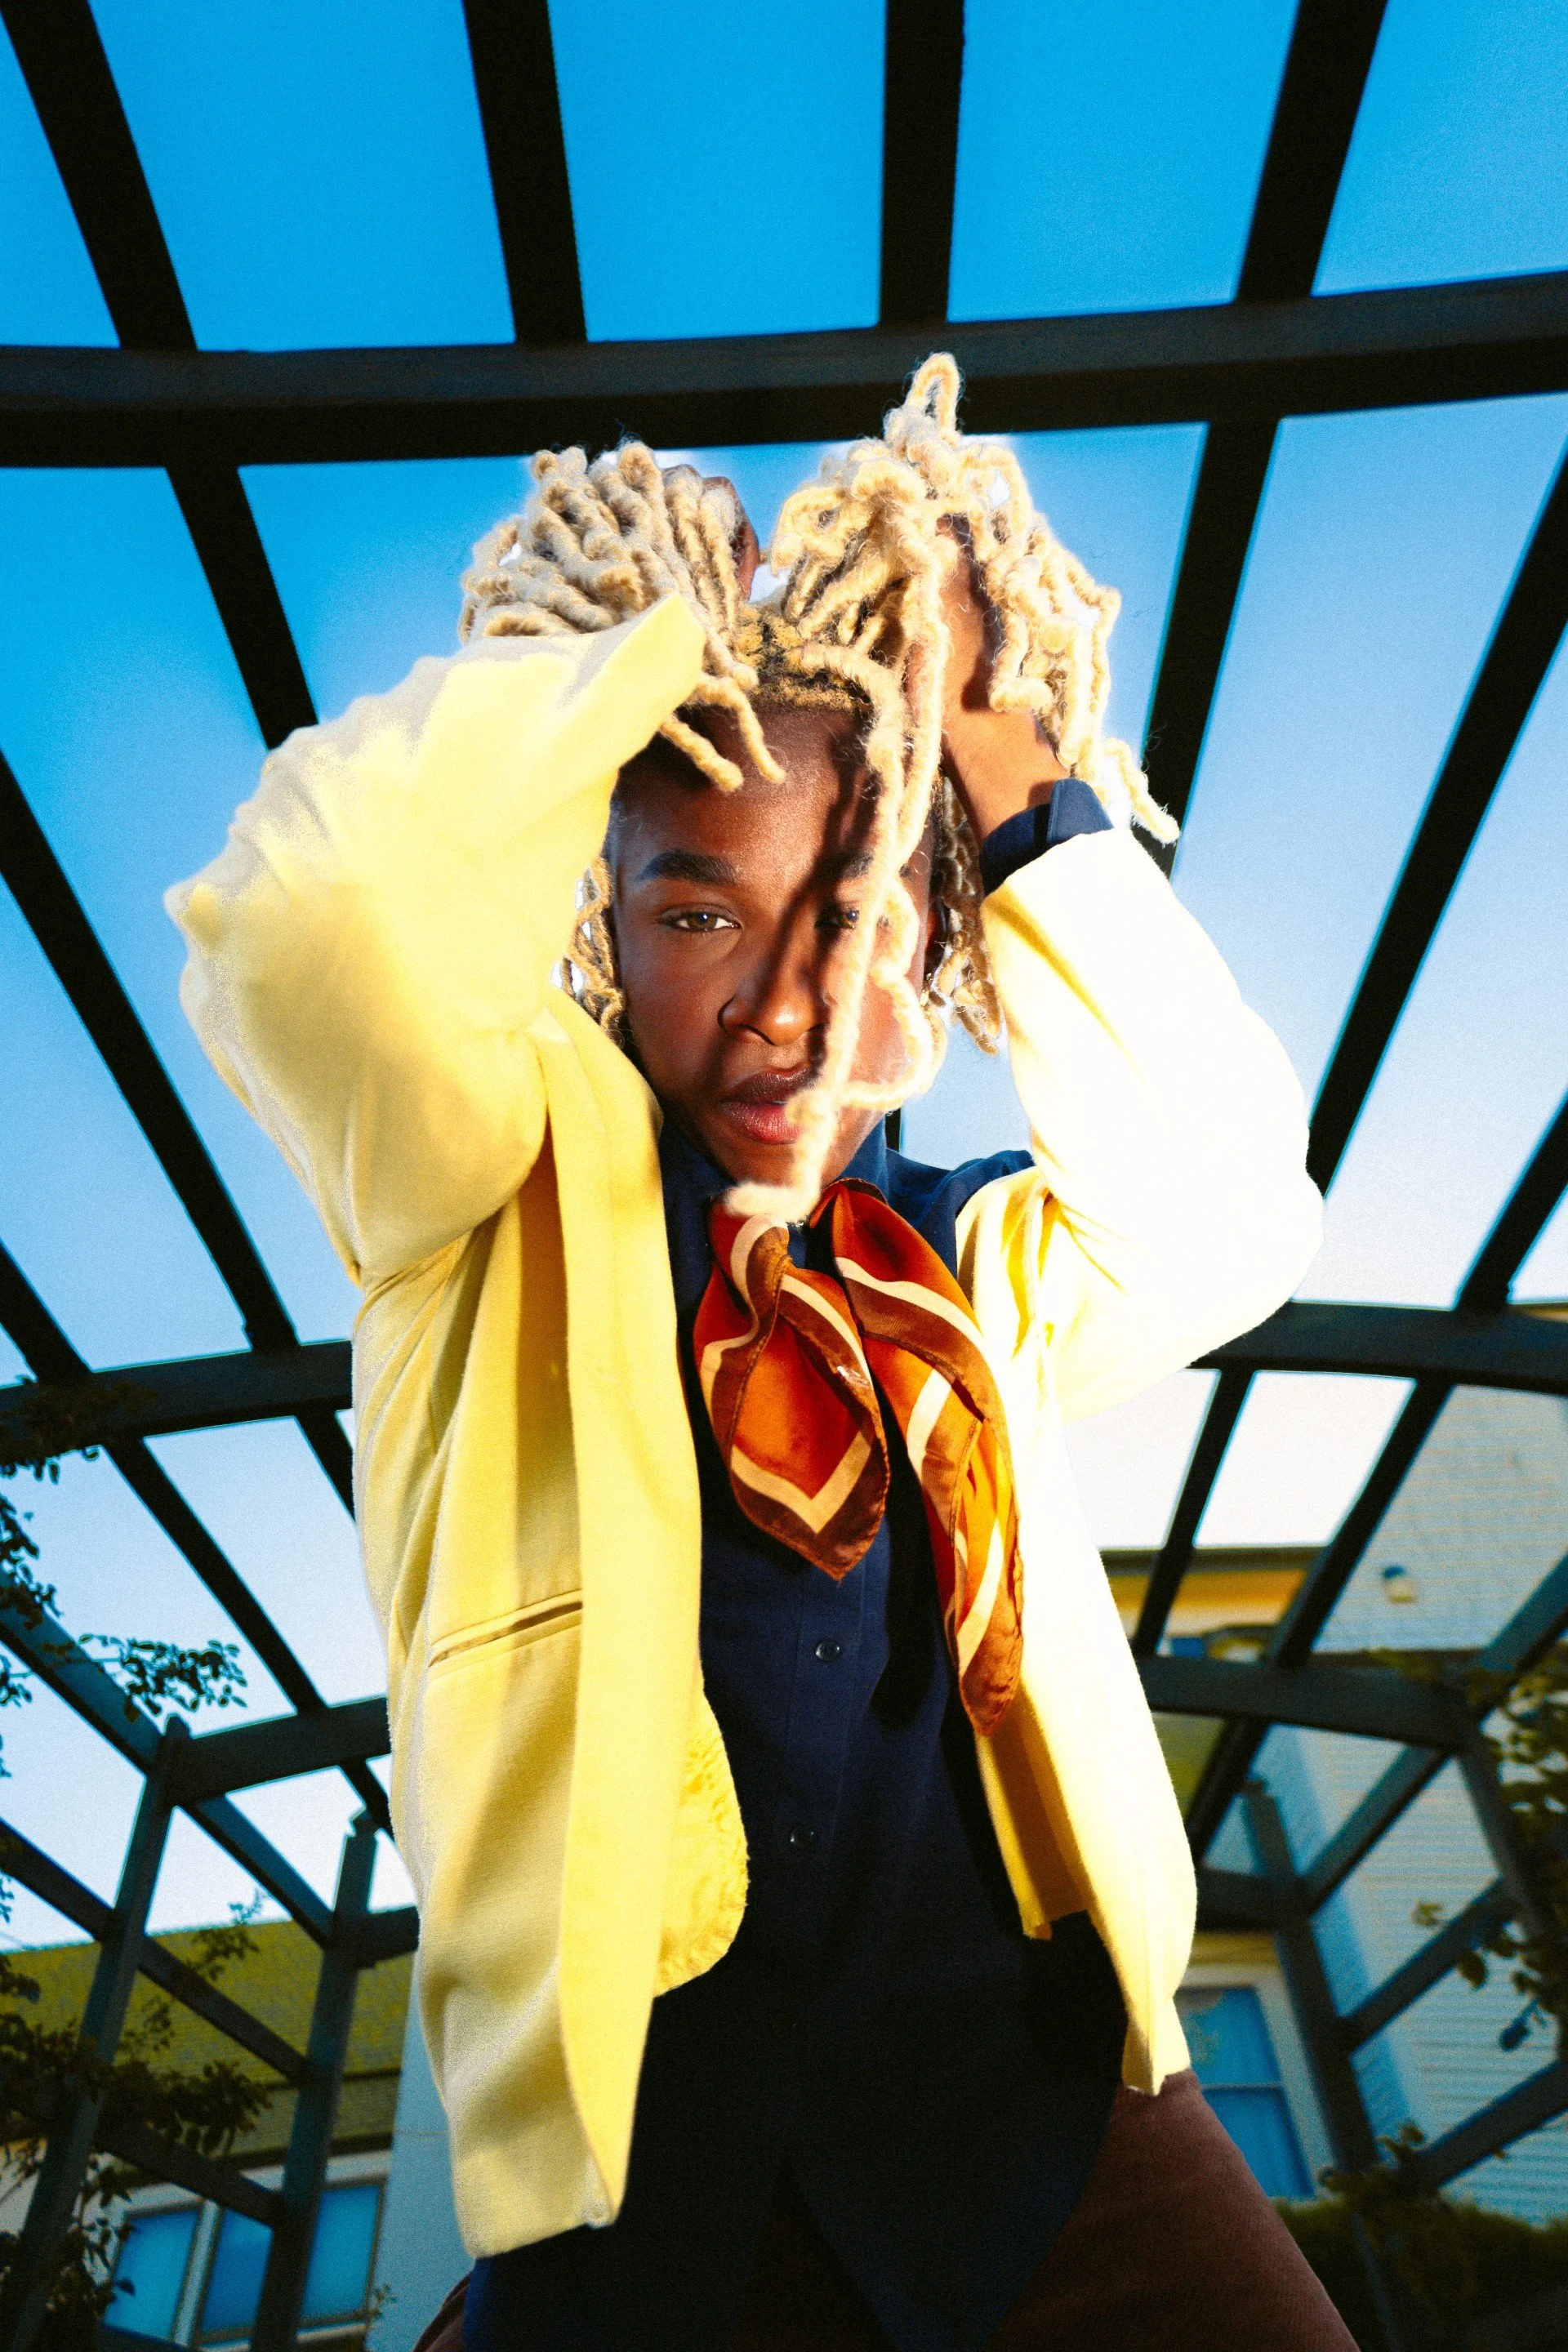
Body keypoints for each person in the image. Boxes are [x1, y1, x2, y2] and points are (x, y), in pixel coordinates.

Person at [168, 359, 1351, 2350]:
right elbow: (320, 926)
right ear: (602, 937)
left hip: (1056, 2118)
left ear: (926, 938)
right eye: (699, 908)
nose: (787, 1007)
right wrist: (632, 648)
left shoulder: (973, 1255)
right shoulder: (481, 1202)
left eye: (848, 910)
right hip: (647, 2170)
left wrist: (998, 755)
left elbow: (1233, 1207)